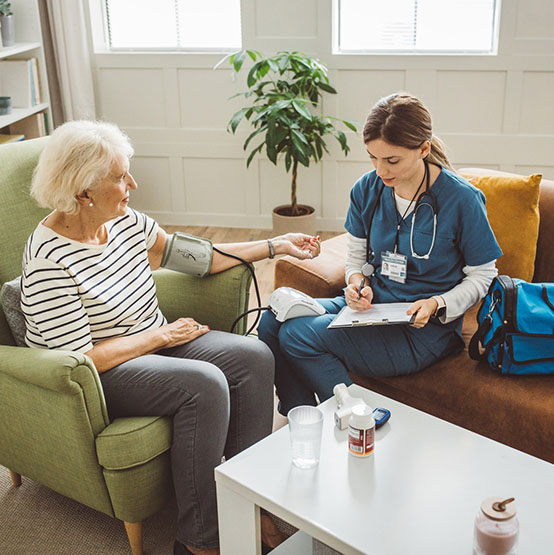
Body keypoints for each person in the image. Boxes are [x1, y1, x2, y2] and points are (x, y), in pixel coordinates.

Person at [20, 120, 320, 555]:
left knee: (254, 356)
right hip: (101, 372)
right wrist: (160, 338)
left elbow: (199, 258)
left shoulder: (124, 221)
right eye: (121, 177)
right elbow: (80, 361)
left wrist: (277, 244)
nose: (133, 184)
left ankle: (250, 506)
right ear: (83, 192)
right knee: (204, 386)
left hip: (154, 339)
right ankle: (200, 540)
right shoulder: (49, 258)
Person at [258, 93, 503, 414]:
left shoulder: (462, 200)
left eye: (392, 160)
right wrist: (357, 282)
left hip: (424, 329)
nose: (380, 170)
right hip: (374, 307)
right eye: (373, 157)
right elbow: (356, 254)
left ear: (424, 149)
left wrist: (437, 303)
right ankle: (300, 413)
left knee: (298, 335)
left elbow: (484, 274)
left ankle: (360, 419)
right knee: (274, 318)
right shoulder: (367, 189)